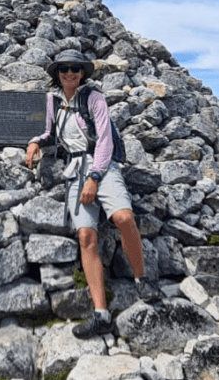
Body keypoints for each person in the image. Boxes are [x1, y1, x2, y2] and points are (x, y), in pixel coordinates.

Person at [25, 49, 163, 339]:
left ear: (83, 72)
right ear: (57, 73)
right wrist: (35, 143)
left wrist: (95, 177)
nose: (70, 73)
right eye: (64, 69)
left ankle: (142, 279)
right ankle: (101, 314)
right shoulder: (52, 101)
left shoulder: (94, 98)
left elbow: (103, 139)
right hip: (74, 168)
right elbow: (49, 131)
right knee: (86, 236)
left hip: (102, 165)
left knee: (124, 217)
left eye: (76, 68)